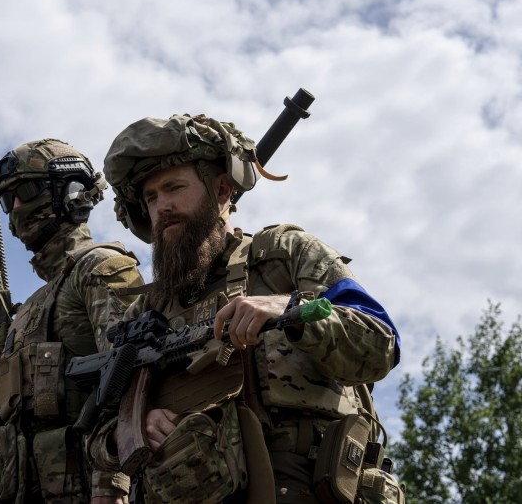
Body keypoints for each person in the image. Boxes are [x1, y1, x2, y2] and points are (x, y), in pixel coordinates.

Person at [87, 114, 401, 503]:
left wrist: (293, 308)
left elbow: (381, 344)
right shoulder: (143, 314)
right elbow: (96, 438)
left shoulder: (284, 256)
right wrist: (135, 427)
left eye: (173, 188)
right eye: (151, 198)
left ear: (222, 189)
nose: (162, 206)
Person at [0, 139, 146, 503]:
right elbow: (1, 413)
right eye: (9, 201)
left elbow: (131, 382)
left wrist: (113, 487)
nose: (18, 208)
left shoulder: (99, 267)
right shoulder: (30, 309)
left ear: (70, 191)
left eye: (26, 191)